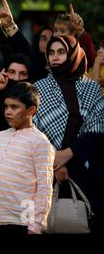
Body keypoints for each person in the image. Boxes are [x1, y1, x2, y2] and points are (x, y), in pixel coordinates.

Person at [34, 35, 104, 233]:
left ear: (73, 54)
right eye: (51, 53)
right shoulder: (39, 88)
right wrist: (54, 163)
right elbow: (35, 130)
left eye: (61, 52)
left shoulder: (92, 89)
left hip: (85, 169)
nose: (55, 57)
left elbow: (98, 131)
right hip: (49, 172)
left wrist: (69, 153)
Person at [0, 82, 54, 235]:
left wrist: (35, 227)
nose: (8, 112)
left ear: (31, 110)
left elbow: (44, 189)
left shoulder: (40, 142)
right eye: (6, 106)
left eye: (14, 107)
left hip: (23, 223)